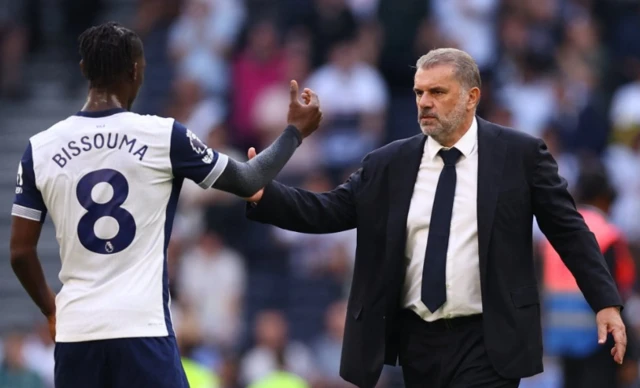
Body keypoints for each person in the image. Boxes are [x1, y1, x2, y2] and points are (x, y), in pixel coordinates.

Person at [244, 48, 627, 388]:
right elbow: (327, 212)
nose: (424, 102)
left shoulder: (519, 155)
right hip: (417, 341)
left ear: (472, 97)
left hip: (489, 338)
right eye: (418, 92)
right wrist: (264, 192)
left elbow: (568, 229)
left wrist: (605, 301)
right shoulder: (388, 163)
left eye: (437, 92)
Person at [9, 21, 322, 388]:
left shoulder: (41, 148)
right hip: (142, 327)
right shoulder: (163, 135)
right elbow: (249, 180)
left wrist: (51, 308)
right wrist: (293, 133)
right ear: (137, 70)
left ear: (83, 71)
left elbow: (19, 252)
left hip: (77, 331)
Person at [539, 162, 638, 388]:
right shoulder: (606, 233)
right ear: (606, 198)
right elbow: (616, 297)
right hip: (599, 343)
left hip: (561, 336)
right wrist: (631, 353)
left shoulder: (554, 234)